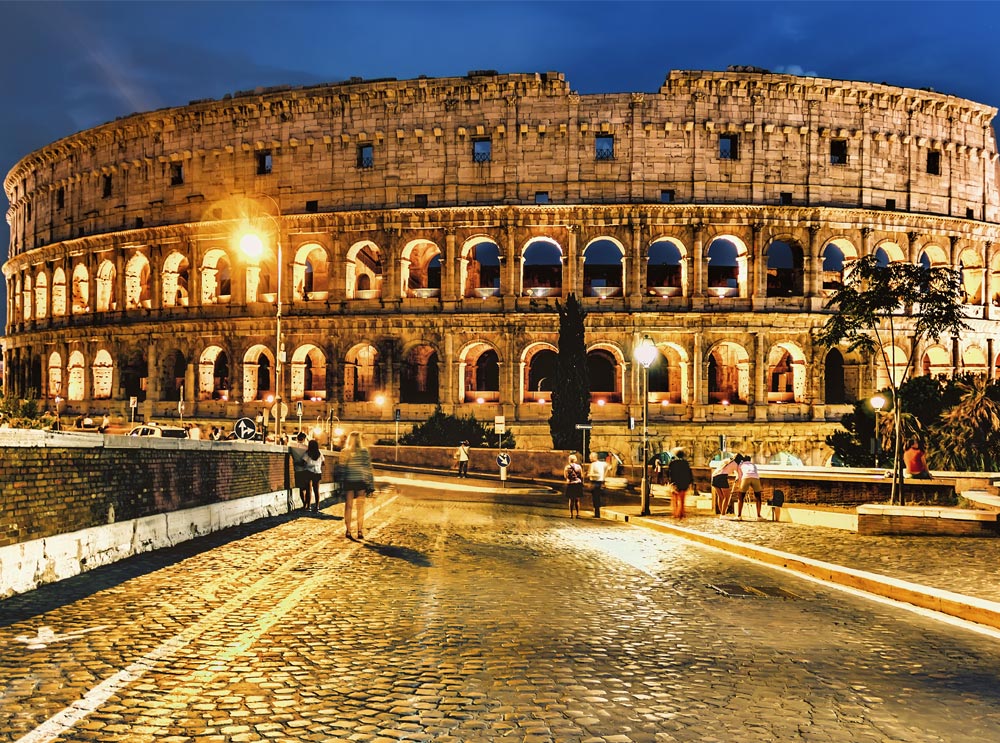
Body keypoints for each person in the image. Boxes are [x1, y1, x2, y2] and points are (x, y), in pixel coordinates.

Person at [339, 431, 375, 539]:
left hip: (349, 480)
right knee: (360, 507)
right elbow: (368, 469)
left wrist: (341, 483)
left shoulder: (345, 452)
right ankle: (360, 531)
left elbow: (342, 468)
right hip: (361, 480)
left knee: (348, 507)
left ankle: (348, 530)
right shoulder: (364, 452)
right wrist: (371, 484)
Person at [733, 454, 763, 521]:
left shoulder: (741, 465)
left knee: (741, 497)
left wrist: (740, 485)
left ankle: (739, 515)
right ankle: (758, 516)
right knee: (758, 497)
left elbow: (740, 476)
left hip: (746, 477)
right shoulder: (753, 465)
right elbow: (755, 472)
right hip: (755, 478)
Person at [666, 447, 693, 519]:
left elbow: (670, 474)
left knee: (674, 499)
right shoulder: (686, 463)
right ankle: (681, 513)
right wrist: (690, 483)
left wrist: (670, 482)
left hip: (675, 483)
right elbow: (689, 473)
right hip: (684, 483)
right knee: (682, 500)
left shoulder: (672, 463)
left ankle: (675, 513)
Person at [288, 432, 310, 510]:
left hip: (297, 470)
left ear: (297, 438)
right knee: (307, 489)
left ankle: (304, 504)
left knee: (301, 488)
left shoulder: (291, 446)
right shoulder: (307, 448)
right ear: (304, 439)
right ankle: (307, 504)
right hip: (306, 470)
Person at [302, 439, 325, 513]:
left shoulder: (307, 453)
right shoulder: (320, 453)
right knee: (316, 490)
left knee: (309, 490)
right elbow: (324, 463)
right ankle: (317, 506)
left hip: (309, 471)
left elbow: (303, 462)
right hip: (317, 472)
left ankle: (308, 506)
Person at [587, 451, 608, 518]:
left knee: (595, 498)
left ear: (594, 457)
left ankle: (597, 513)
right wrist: (604, 476)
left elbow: (595, 474)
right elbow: (609, 467)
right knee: (597, 498)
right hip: (600, 482)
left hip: (595, 482)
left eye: (590, 457)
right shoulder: (603, 464)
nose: (590, 459)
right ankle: (597, 512)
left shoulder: (593, 464)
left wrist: (589, 474)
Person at [564, 453, 584, 519]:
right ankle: (578, 514)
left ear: (569, 460)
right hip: (578, 483)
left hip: (571, 484)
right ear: (575, 460)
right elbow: (581, 475)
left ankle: (571, 514)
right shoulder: (579, 467)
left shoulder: (567, 467)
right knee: (577, 500)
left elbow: (565, 476)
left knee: (571, 500)